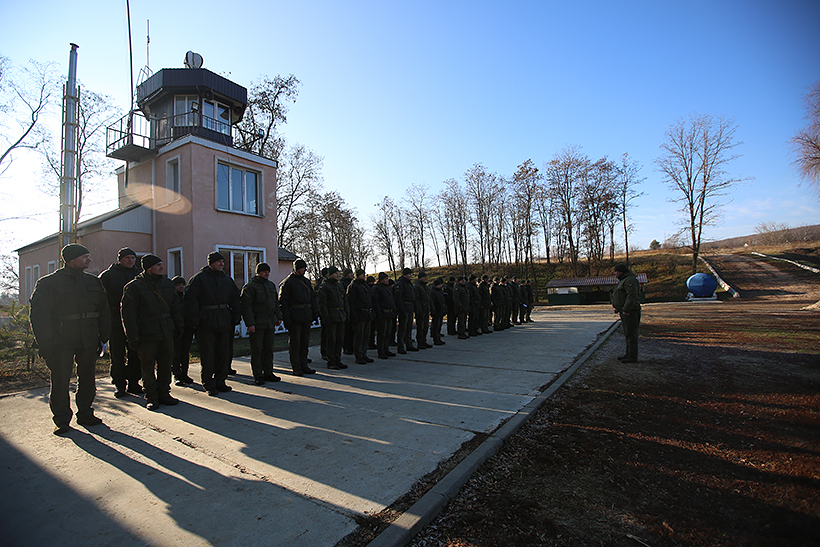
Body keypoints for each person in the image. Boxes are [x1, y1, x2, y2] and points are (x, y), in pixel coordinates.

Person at [30, 244, 111, 434]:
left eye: (89, 256)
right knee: (60, 380)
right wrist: (45, 343)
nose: (89, 260)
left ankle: (86, 413)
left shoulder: (93, 282)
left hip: (89, 338)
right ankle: (62, 419)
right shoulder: (49, 283)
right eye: (85, 257)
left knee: (88, 379)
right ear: (71, 260)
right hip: (61, 339)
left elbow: (104, 310)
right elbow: (40, 316)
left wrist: (104, 336)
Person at [121, 255, 184, 411]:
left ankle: (164, 393)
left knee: (166, 363)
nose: (162, 267)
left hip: (166, 331)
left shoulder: (167, 284)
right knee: (147, 365)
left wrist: (179, 326)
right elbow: (128, 314)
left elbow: (176, 307)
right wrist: (133, 337)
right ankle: (151, 396)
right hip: (146, 333)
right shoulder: (134, 287)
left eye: (161, 264)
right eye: (158, 265)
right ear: (149, 268)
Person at [184, 251, 241, 396]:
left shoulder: (227, 279)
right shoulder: (199, 279)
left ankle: (221, 381)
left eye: (222, 262)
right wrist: (195, 321)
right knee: (208, 354)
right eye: (218, 262)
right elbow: (190, 301)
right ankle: (209, 383)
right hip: (206, 322)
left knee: (223, 353)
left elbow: (235, 299)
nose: (221, 264)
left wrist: (235, 317)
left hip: (224, 321)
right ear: (211, 263)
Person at [99, 247, 142, 397]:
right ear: (120, 259)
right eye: (127, 258)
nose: (131, 261)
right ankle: (119, 384)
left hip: (135, 321)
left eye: (133, 258)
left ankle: (134, 382)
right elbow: (101, 299)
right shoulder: (108, 276)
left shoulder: (139, 275)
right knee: (117, 355)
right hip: (115, 321)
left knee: (135, 354)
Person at [241, 262, 283, 385]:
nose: (267, 274)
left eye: (268, 271)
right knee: (257, 349)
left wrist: (278, 317)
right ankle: (258, 374)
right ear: (258, 272)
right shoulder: (250, 287)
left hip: (269, 321)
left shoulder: (270, 285)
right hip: (257, 322)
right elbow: (246, 307)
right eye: (264, 271)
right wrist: (250, 323)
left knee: (268, 349)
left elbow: (275, 303)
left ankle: (268, 372)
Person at [279, 259, 318, 376]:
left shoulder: (306, 282)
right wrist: (286, 319)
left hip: (306, 315)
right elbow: (283, 302)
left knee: (304, 342)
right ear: (297, 269)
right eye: (302, 268)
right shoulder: (288, 282)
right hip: (295, 316)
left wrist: (314, 313)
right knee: (295, 344)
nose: (305, 270)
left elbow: (313, 298)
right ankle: (296, 367)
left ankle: (304, 364)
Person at [317, 266, 349, 370]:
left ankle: (337, 359)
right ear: (330, 275)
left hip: (340, 315)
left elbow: (344, 300)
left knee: (340, 339)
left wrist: (347, 313)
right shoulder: (324, 287)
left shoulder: (339, 285)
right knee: (331, 340)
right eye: (335, 273)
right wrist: (326, 318)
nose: (338, 275)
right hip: (331, 316)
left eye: (338, 273)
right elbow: (322, 304)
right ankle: (331, 361)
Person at [611, 263, 642, 363]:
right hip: (624, 311)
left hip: (630, 312)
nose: (614, 273)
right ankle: (628, 354)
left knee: (631, 334)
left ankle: (632, 356)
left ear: (621, 272)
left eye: (616, 271)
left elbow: (631, 296)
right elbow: (622, 296)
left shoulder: (630, 280)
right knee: (628, 334)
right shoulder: (623, 280)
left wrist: (626, 310)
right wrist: (619, 308)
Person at [170, 276, 195, 386]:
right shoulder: (171, 298)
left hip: (187, 327)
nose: (181, 287)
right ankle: (177, 375)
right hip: (176, 329)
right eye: (178, 285)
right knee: (176, 353)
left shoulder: (187, 298)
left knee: (185, 352)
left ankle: (185, 373)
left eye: (182, 285)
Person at [347, 269, 374, 364]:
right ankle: (358, 355)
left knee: (366, 335)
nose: (364, 276)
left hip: (367, 313)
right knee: (359, 336)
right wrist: (354, 316)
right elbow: (351, 302)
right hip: (359, 314)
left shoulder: (365, 285)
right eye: (362, 274)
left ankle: (364, 353)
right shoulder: (354, 286)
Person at [371, 272, 397, 359]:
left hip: (389, 313)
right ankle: (381, 351)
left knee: (388, 333)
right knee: (382, 333)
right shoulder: (377, 288)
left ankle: (386, 349)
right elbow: (375, 302)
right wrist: (379, 313)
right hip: (383, 313)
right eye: (386, 279)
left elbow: (392, 300)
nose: (387, 280)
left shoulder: (388, 288)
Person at [394, 267, 418, 353]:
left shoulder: (409, 284)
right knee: (402, 328)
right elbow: (398, 298)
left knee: (409, 327)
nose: (410, 275)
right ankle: (400, 347)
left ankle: (409, 344)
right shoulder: (400, 284)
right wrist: (402, 309)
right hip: (404, 307)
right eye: (409, 274)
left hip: (410, 307)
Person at [414, 271, 432, 349]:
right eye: (423, 277)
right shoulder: (417, 287)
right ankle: (420, 342)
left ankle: (424, 341)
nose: (425, 278)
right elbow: (416, 300)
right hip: (421, 309)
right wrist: (418, 310)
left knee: (425, 327)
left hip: (426, 309)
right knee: (420, 327)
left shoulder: (425, 287)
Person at [429, 277, 446, 346]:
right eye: (439, 285)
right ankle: (436, 339)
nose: (440, 286)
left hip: (440, 310)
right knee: (436, 326)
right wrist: (433, 310)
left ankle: (438, 338)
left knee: (439, 325)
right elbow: (432, 302)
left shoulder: (440, 291)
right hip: (436, 310)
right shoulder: (433, 292)